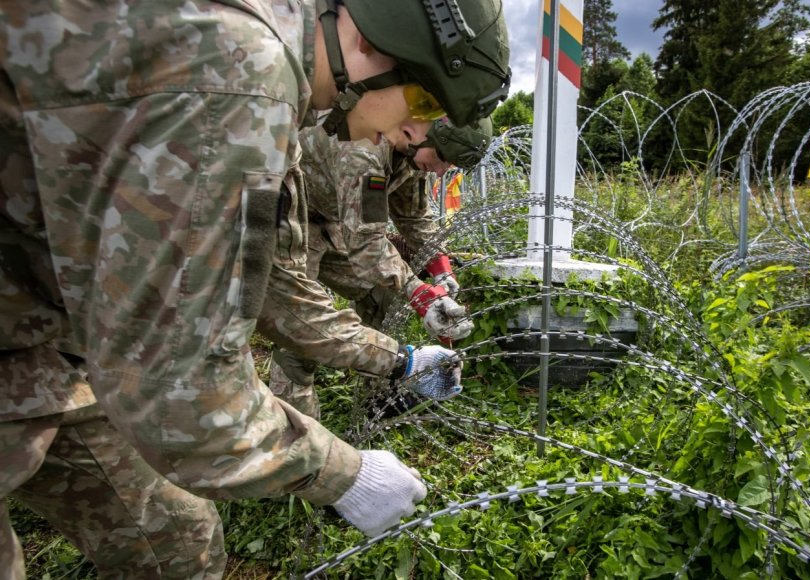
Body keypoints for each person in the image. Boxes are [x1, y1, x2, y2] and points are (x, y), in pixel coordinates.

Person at [0, 0, 510, 577]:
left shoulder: (276, 79)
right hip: (38, 330)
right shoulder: (244, 84)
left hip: (42, 336)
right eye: (424, 101)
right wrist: (344, 474)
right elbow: (178, 385)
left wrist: (404, 349)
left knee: (176, 541)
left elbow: (276, 289)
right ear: (372, 45)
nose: (419, 128)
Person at [269, 117, 493, 419]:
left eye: (449, 166)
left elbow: (413, 216)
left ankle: (379, 395)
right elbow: (367, 245)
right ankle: (295, 429)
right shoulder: (365, 150)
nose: (441, 171)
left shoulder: (413, 155)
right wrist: (421, 293)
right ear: (425, 133)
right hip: (291, 223)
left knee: (382, 294)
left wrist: (441, 267)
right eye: (441, 159)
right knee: (300, 326)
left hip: (334, 224)